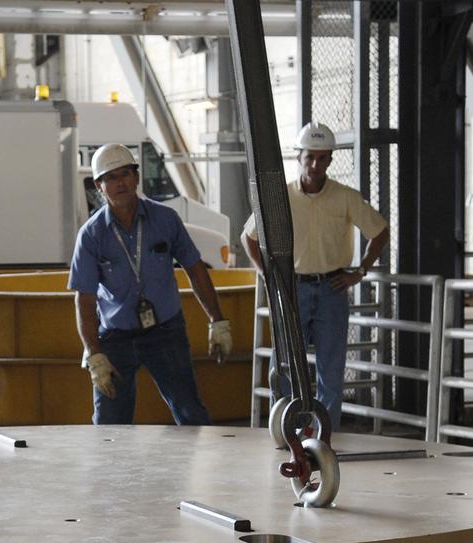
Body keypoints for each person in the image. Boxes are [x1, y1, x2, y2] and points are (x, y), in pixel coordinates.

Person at [240, 122, 390, 432]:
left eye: (322, 158)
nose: (315, 164)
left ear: (331, 161)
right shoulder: (280, 197)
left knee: (331, 368)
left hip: (332, 289)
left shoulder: (346, 197)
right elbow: (249, 238)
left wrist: (360, 270)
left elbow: (380, 231)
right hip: (292, 289)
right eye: (310, 157)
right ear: (298, 157)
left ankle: (323, 435)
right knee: (282, 366)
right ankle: (283, 432)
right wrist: (266, 273)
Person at [69, 143, 232, 425]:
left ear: (136, 178)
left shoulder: (165, 220)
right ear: (99, 185)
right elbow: (84, 299)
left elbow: (196, 270)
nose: (120, 182)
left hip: (165, 332)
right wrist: (94, 354)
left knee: (191, 414)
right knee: (109, 424)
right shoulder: (91, 236)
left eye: (125, 174)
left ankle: (199, 468)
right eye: (111, 177)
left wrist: (218, 321)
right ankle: (112, 470)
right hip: (115, 339)